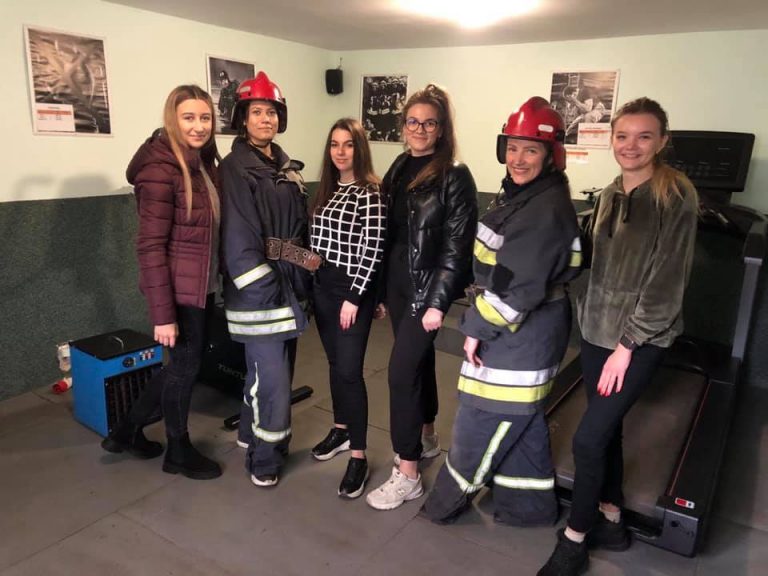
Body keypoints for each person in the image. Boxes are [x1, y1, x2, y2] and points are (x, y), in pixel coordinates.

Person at [538, 97, 699, 575]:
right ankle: (611, 518)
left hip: (640, 340)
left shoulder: (675, 196)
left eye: (644, 136)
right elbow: (590, 259)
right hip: (596, 331)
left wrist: (627, 347)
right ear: (612, 140)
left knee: (588, 440)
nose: (631, 145)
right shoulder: (610, 193)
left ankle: (575, 538)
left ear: (662, 141)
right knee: (607, 431)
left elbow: (666, 283)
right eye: (623, 136)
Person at [421, 97, 582, 526]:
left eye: (531, 149)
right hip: (524, 331)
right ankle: (527, 507)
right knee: (521, 420)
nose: (518, 158)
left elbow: (516, 290)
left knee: (480, 420)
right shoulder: (524, 197)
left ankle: (441, 506)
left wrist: (473, 328)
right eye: (512, 147)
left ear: (550, 155)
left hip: (519, 335)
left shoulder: (542, 209)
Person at [365, 83, 478, 511]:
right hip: (397, 285)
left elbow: (457, 248)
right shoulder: (399, 166)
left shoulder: (455, 175)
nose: (420, 129)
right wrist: (380, 291)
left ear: (442, 129)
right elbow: (388, 234)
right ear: (403, 125)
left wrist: (437, 302)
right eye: (413, 121)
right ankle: (427, 437)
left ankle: (408, 473)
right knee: (419, 363)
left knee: (400, 374)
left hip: (426, 291)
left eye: (429, 123)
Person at [101, 85, 222, 480]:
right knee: (184, 368)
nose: (199, 126)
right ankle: (178, 450)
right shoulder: (160, 169)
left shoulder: (201, 163)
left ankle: (126, 430)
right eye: (189, 117)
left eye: (205, 117)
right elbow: (150, 246)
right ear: (173, 119)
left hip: (200, 285)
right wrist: (163, 316)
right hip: (179, 292)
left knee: (181, 366)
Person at [219, 71, 315, 488]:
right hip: (260, 294)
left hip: (289, 286)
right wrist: (264, 290)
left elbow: (297, 230)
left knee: (270, 374)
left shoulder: (285, 166)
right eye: (257, 112)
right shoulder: (234, 169)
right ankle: (265, 459)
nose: (266, 119)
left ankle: (248, 433)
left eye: (272, 112)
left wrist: (307, 273)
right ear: (243, 119)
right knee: (273, 383)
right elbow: (238, 238)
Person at [309, 118, 387, 499]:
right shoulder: (327, 190)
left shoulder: (370, 191)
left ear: (360, 148)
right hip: (322, 287)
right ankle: (341, 430)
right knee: (334, 364)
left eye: (349, 144)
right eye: (334, 144)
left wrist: (355, 297)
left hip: (350, 290)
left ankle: (358, 455)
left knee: (350, 372)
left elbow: (373, 249)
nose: (340, 152)